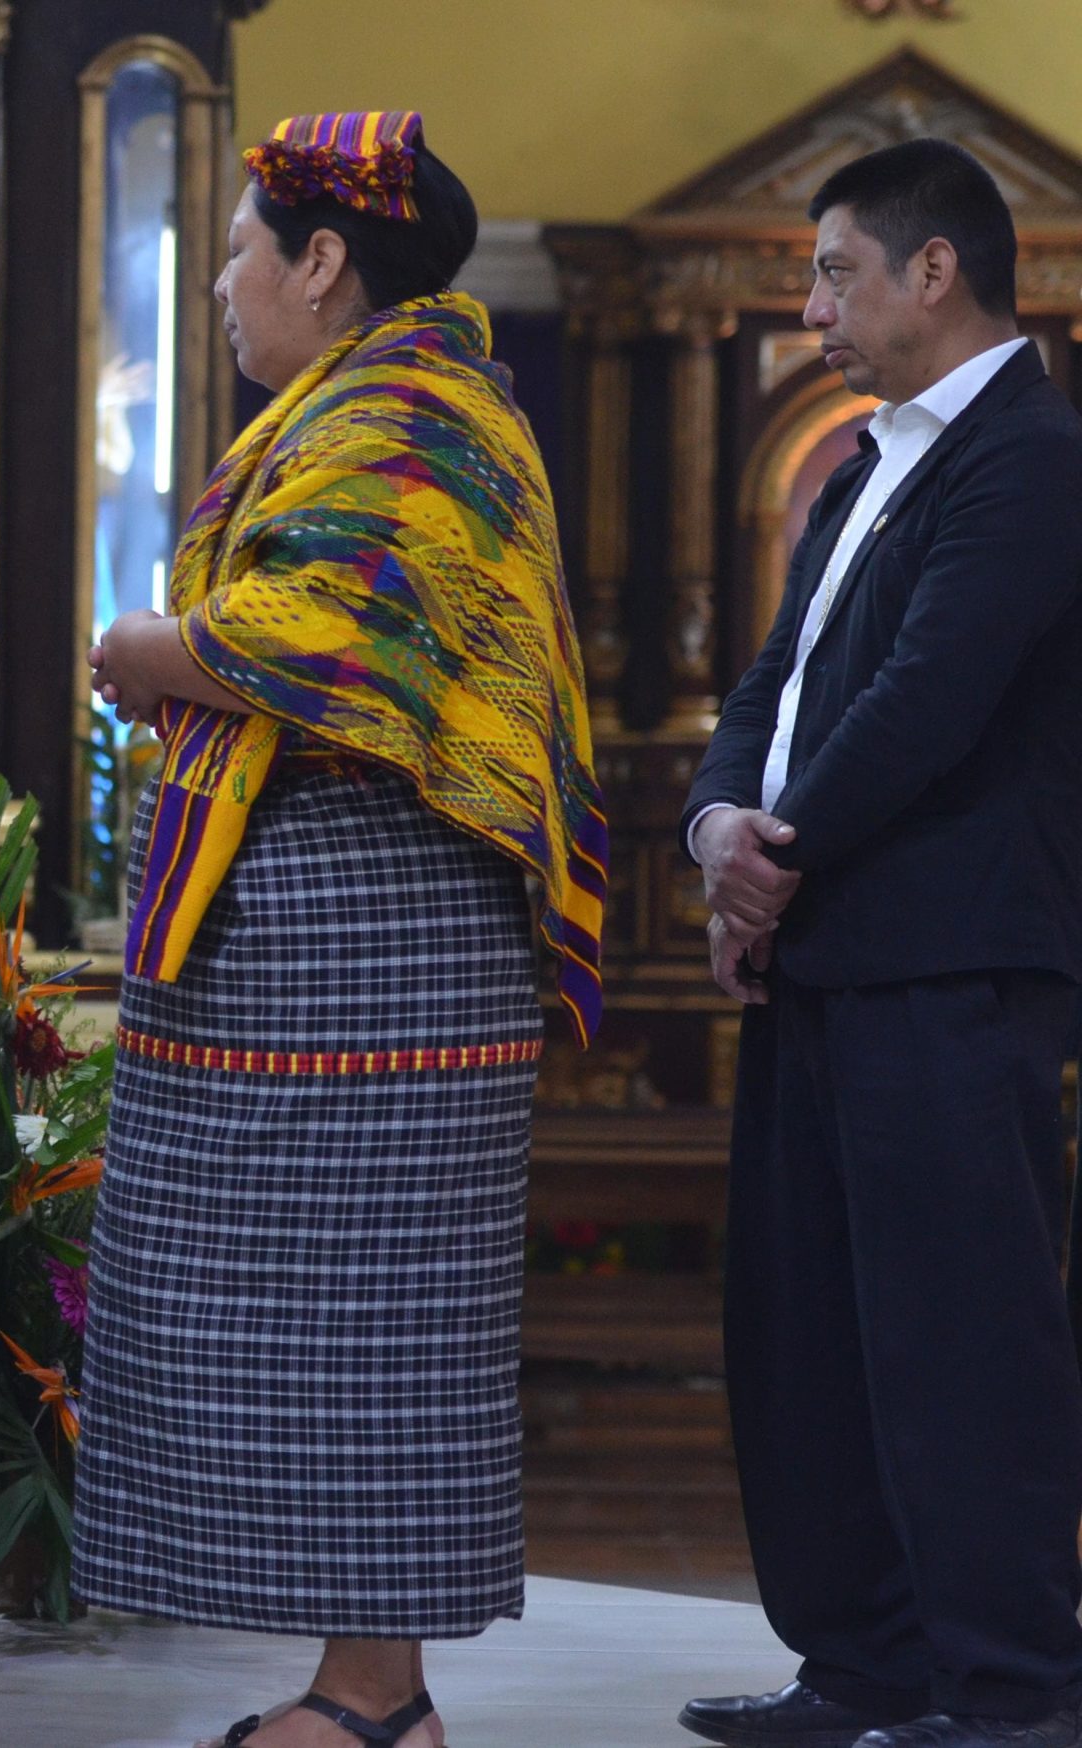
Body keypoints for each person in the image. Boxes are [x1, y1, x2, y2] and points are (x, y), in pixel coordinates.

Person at [72, 113, 606, 1748]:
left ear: (324, 259)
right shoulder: (381, 404)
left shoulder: (416, 411)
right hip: (325, 931)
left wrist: (142, 642)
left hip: (380, 927)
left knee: (373, 1319)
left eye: (239, 248)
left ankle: (377, 1699)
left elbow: (319, 633)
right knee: (307, 1314)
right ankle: (364, 1689)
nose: (224, 283)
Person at [677, 138, 1082, 1748]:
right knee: (810, 1333)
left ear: (935, 270)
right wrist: (720, 825)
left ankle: (1008, 1689)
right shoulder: (860, 467)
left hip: (950, 961)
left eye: (837, 268)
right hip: (825, 950)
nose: (813, 302)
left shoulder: (1035, 457)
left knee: (959, 1335)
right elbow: (771, 685)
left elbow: (931, 696)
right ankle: (862, 1666)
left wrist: (778, 858)